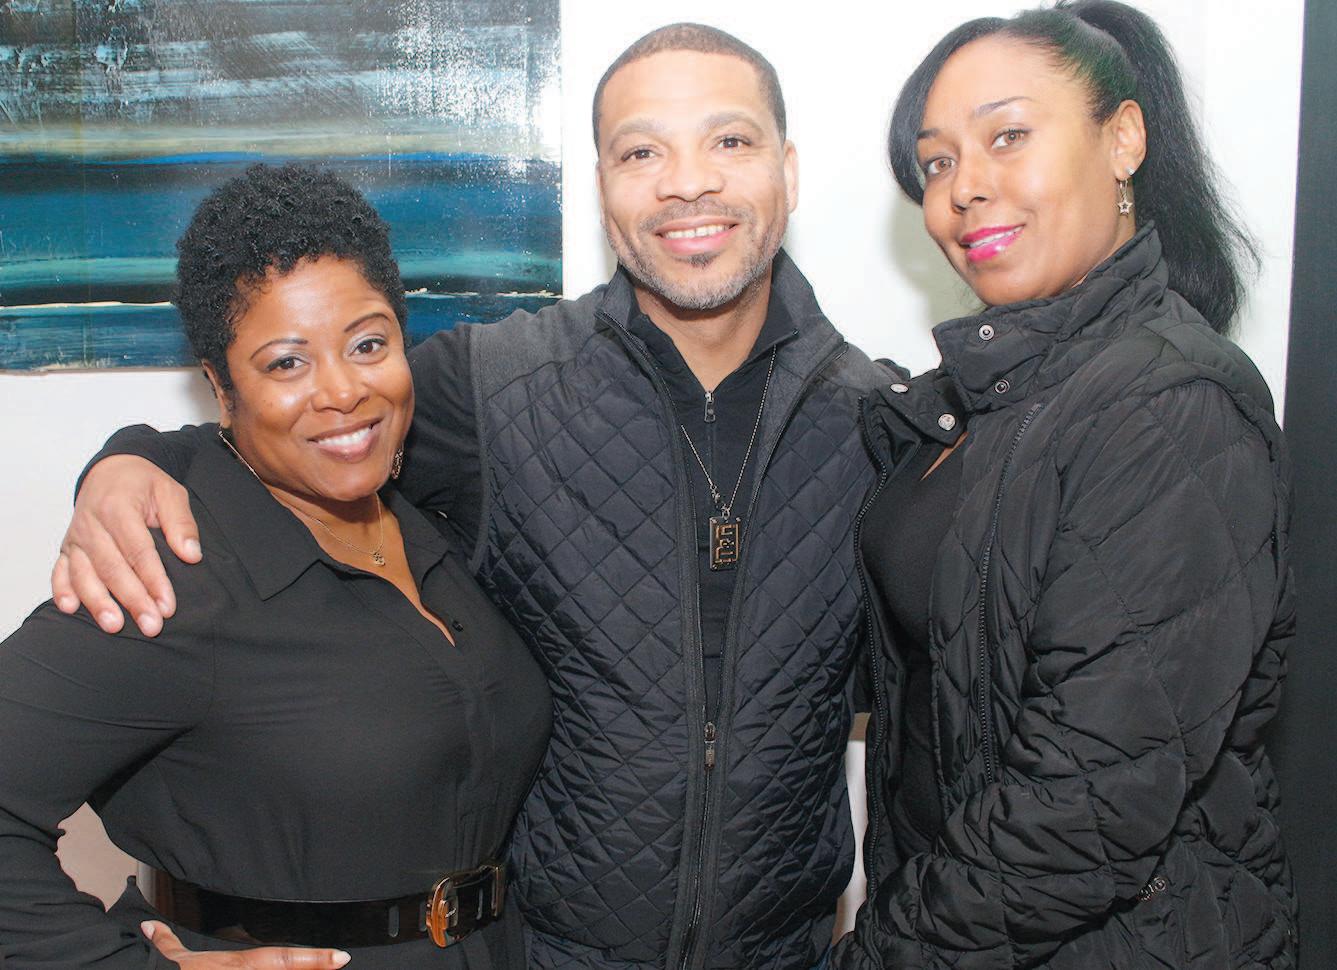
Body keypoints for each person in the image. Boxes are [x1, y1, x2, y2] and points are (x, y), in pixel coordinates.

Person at [49, 25, 891, 969]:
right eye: (641, 152)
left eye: (728, 140)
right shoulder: (494, 387)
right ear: (602, 188)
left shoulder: (881, 420)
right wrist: (129, 459)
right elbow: (307, 425)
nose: (687, 182)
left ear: (788, 168)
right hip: (541, 953)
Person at [833, 2, 1295, 967]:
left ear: (1122, 140)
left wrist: (877, 953)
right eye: (936, 163)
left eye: (1007, 136)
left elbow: (1084, 811)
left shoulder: (1168, 405)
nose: (964, 188)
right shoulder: (987, 402)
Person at [0, 164, 551, 967]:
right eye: (287, 363)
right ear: (222, 388)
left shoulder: (436, 517)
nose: (343, 392)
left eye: (368, 344)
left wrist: (127, 451)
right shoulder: (169, 573)